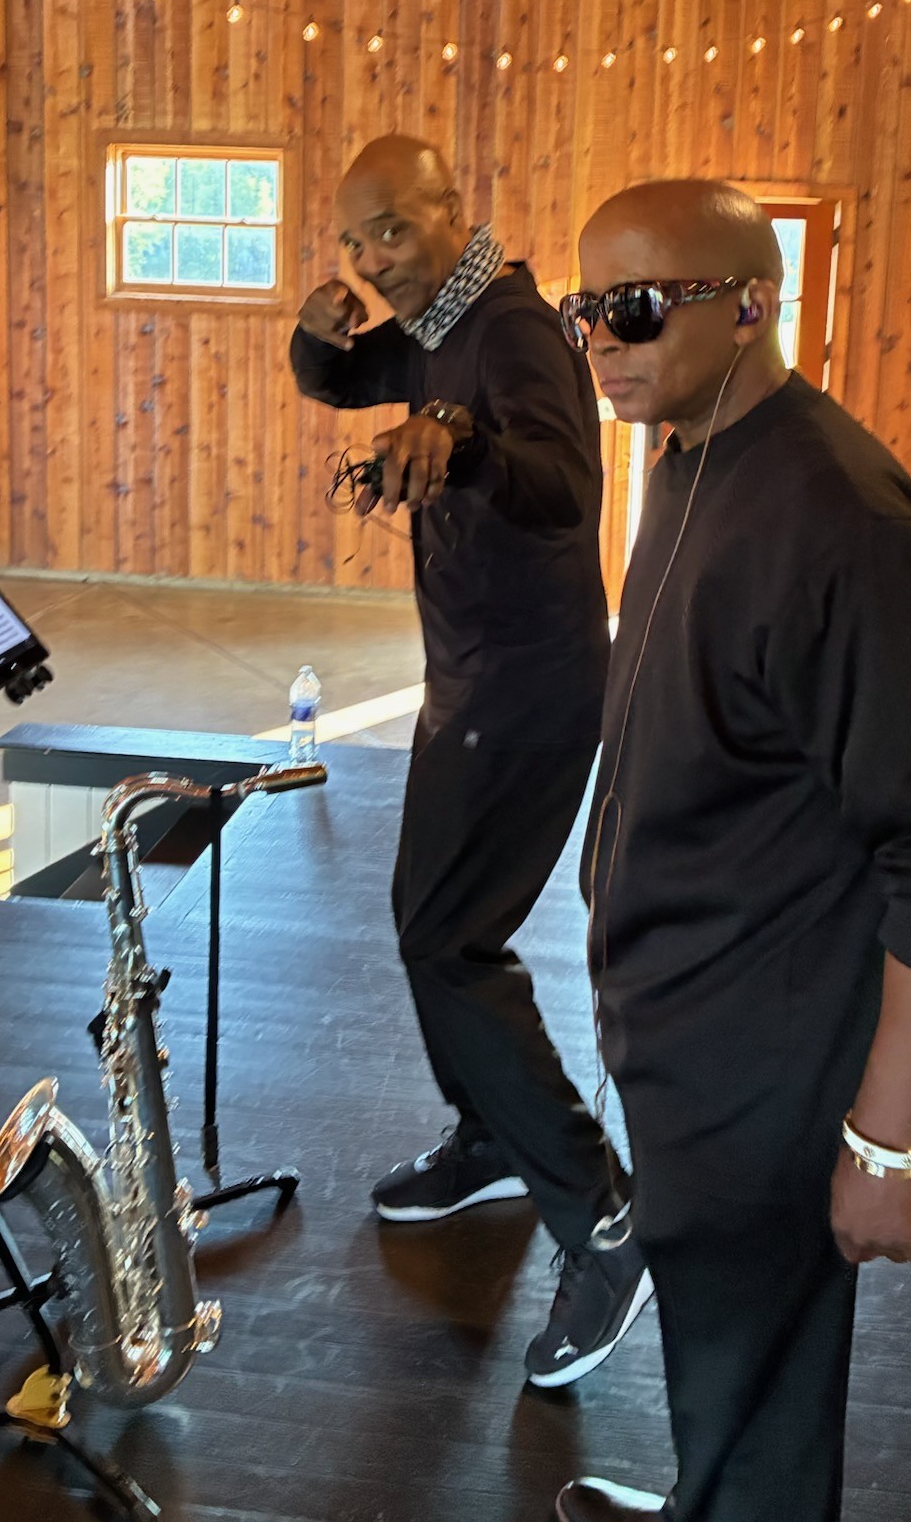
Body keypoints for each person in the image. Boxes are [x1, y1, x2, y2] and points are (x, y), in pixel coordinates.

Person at [551, 180, 911, 1521]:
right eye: (587, 310)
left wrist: (885, 1143)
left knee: (757, 1373)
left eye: (638, 306)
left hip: (763, 1053)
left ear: (751, 304)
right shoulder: (689, 456)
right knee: (724, 1348)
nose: (604, 340)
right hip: (680, 1017)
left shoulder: (844, 522)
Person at [289, 132, 652, 1388]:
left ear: (454, 207)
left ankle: (602, 1214)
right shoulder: (437, 324)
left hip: (525, 687)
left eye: (390, 229)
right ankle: (491, 1134)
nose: (371, 258)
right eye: (354, 240)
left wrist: (470, 441)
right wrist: (315, 333)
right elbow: (345, 380)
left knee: (449, 940)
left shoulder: (511, 329)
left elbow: (565, 486)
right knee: (430, 923)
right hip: (470, 682)